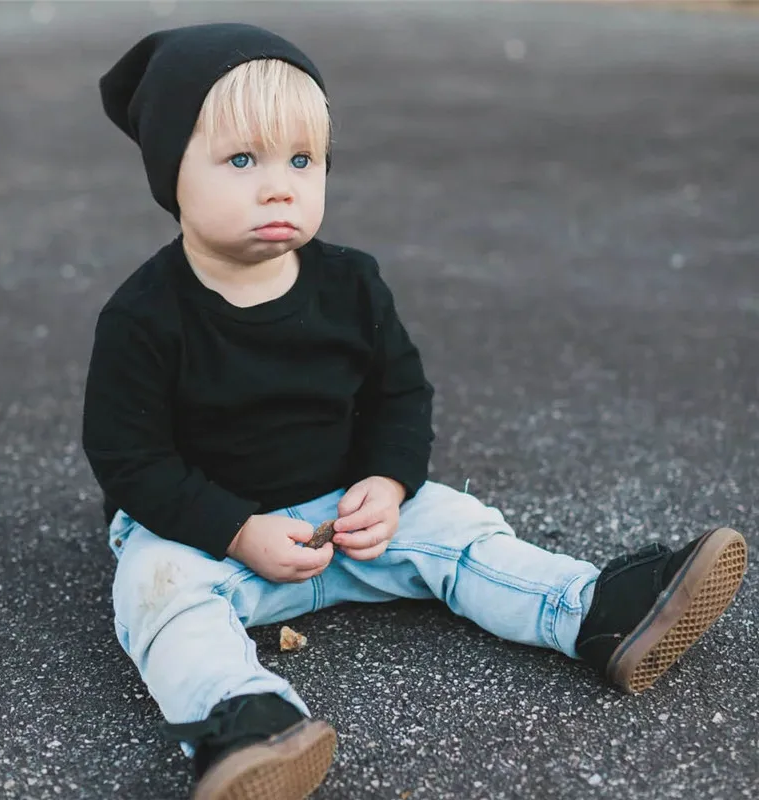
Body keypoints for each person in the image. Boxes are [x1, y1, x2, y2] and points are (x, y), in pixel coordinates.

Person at [84, 22, 748, 800]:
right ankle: (244, 723)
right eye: (241, 161)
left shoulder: (351, 285)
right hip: (210, 537)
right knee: (158, 592)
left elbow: (399, 395)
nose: (279, 186)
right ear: (171, 170)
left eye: (302, 160)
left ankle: (594, 609)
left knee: (461, 530)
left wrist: (390, 482)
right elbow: (129, 458)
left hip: (350, 519)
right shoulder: (144, 316)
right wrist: (234, 530)